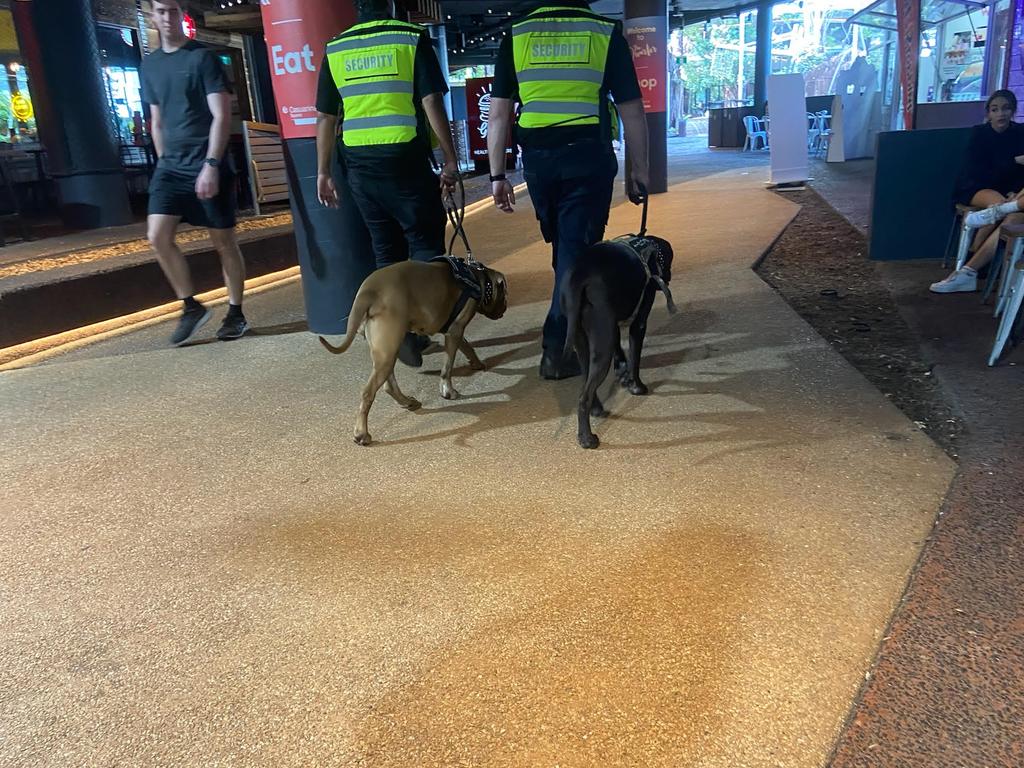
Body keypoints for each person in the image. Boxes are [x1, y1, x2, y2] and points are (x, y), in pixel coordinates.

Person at [487, 0, 650, 379]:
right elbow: (632, 110)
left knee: (565, 247)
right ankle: (558, 347)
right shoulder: (603, 31)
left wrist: (498, 175)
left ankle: (575, 327)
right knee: (574, 253)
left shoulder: (518, 32)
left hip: (540, 163)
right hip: (587, 157)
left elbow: (498, 114)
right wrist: (639, 171)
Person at [315, 0, 459, 367]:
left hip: (360, 168)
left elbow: (326, 116)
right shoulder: (410, 38)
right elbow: (431, 102)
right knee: (426, 246)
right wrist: (450, 158)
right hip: (405, 161)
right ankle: (423, 326)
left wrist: (323, 172)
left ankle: (401, 336)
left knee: (385, 251)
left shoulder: (337, 47)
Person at [141, 0, 248, 345]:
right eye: (160, 11)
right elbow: (156, 120)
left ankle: (236, 312)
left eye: (172, 11)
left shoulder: (202, 59)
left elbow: (220, 115)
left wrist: (211, 165)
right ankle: (190, 306)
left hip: (207, 162)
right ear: (151, 16)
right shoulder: (150, 66)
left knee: (223, 241)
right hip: (171, 166)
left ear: (181, 15)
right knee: (157, 236)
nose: (166, 17)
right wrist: (163, 163)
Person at [931, 89, 1024, 294]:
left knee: (1006, 212)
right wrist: (1014, 162)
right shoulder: (980, 134)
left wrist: (1014, 190)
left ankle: (972, 261)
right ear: (988, 113)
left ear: (1013, 111)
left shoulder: (1019, 133)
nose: (1001, 114)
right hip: (977, 185)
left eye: (1006, 108)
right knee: (1000, 205)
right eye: (995, 109)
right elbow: (978, 171)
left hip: (1011, 192)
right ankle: (976, 263)